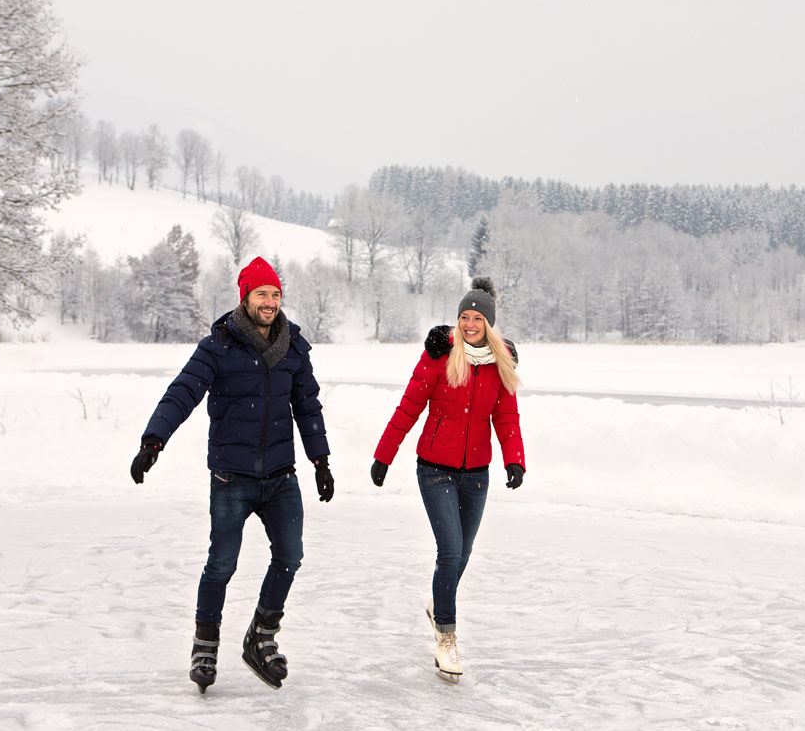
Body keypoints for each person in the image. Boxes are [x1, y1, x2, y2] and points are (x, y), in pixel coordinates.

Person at [129, 256, 335, 693]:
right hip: (231, 477)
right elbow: (181, 393)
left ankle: (261, 636)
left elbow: (308, 407)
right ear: (245, 297)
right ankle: (205, 644)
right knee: (221, 564)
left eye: (276, 294)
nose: (270, 302)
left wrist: (321, 460)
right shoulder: (218, 346)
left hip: (281, 477)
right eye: (262, 293)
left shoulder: (294, 347)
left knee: (291, 556)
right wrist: (153, 441)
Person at [369, 276, 525, 682]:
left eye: (477, 318)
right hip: (435, 469)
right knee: (450, 550)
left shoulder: (498, 364)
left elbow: (505, 416)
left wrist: (515, 460)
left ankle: (439, 603)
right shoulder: (440, 355)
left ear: (488, 324)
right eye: (464, 317)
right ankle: (447, 637)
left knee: (465, 552)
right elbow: (409, 406)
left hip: (476, 473)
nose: (470, 324)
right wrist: (383, 455)